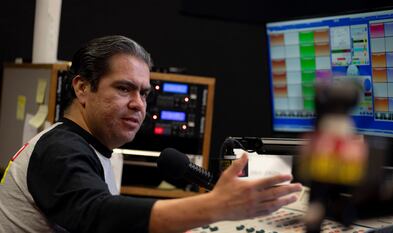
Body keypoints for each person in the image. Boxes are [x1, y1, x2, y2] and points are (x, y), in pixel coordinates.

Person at [0, 35, 302, 233]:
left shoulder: (86, 146)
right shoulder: (60, 148)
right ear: (82, 87)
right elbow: (97, 216)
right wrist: (215, 206)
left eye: (144, 93)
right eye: (123, 88)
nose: (138, 104)